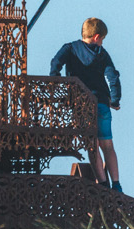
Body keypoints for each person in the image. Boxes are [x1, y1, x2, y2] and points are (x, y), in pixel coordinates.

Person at [50, 17, 122, 192]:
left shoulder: (70, 49)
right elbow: (113, 77)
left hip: (81, 105)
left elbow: (55, 63)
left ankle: (103, 184)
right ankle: (116, 184)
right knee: (108, 146)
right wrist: (115, 100)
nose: (102, 43)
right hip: (102, 105)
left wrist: (56, 82)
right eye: (102, 39)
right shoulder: (102, 53)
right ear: (96, 37)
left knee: (92, 146)